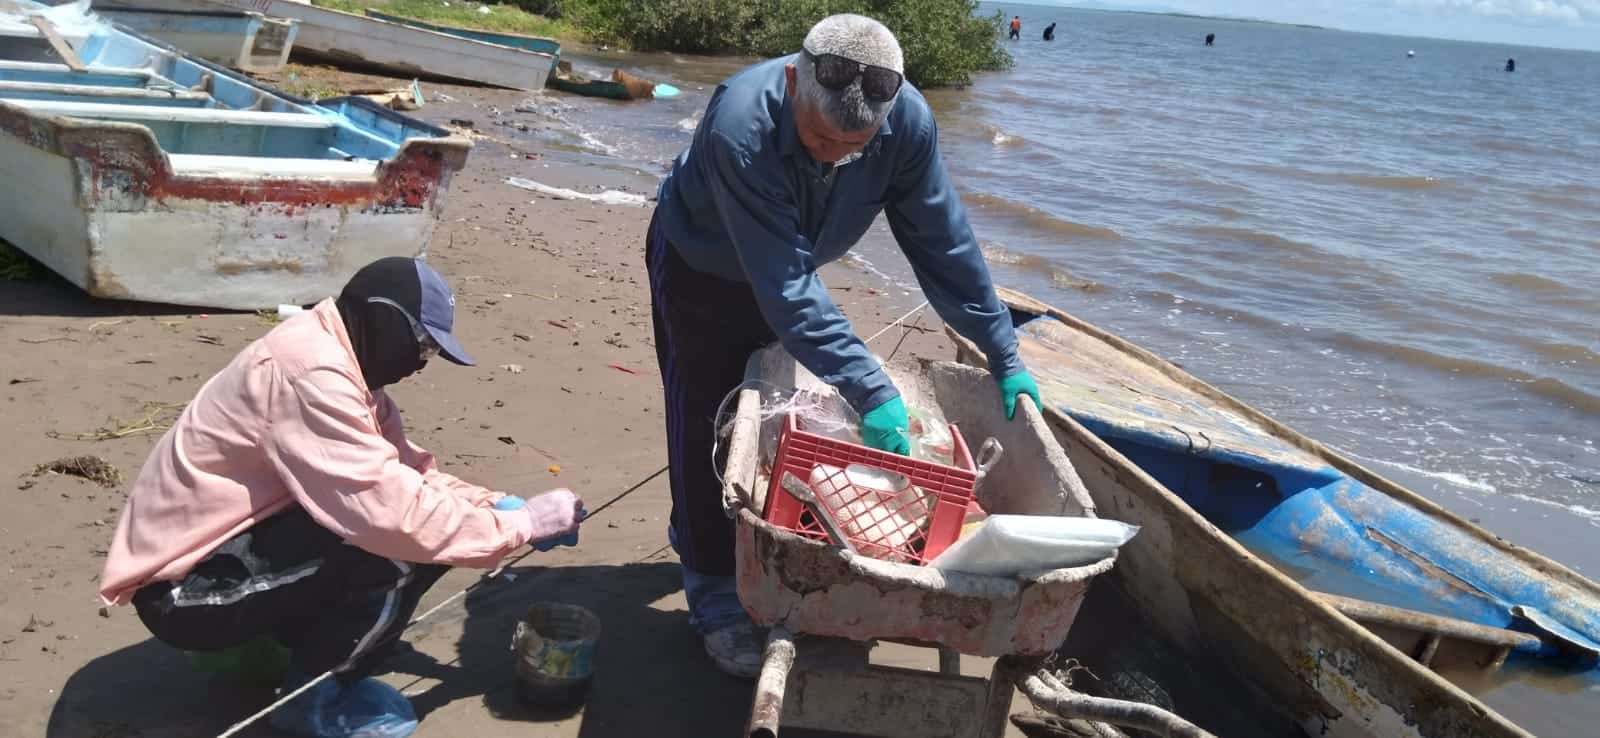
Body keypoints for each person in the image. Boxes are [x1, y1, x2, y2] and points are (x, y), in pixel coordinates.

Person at [649, 13, 1040, 678]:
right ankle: (713, 594)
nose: (834, 154)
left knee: (774, 425)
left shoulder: (907, 122)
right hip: (704, 269)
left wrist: (1001, 350)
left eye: (855, 145)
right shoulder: (742, 122)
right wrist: (871, 387)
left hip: (786, 272)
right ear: (795, 80)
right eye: (822, 137)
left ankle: (757, 558)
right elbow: (786, 284)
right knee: (706, 423)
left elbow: (942, 242)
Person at [97, 257, 586, 738]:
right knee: (398, 552)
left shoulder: (343, 365)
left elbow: (408, 473)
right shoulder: (312, 374)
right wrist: (519, 528)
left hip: (222, 553)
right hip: (182, 592)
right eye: (420, 345)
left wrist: (502, 506)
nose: (419, 365)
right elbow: (391, 513)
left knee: (431, 528)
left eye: (431, 353)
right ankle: (312, 702)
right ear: (381, 316)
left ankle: (290, 647)